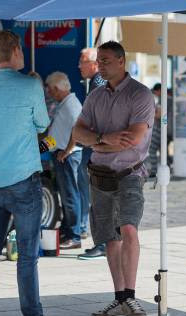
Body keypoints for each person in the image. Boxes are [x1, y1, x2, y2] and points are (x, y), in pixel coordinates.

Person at [0, 30, 62, 316]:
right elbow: (42, 123)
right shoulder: (30, 85)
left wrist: (0, 141)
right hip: (24, 178)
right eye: (21, 49)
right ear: (14, 51)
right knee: (26, 255)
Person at [73, 41, 155, 316]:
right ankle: (120, 298)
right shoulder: (95, 96)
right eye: (98, 60)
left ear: (121, 61)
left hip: (130, 173)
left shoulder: (140, 95)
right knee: (109, 238)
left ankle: (131, 296)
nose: (100, 65)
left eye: (105, 60)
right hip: (99, 175)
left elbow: (132, 139)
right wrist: (103, 140)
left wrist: (97, 143)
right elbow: (77, 133)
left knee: (129, 229)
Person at [45, 71, 83, 249]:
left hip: (67, 156)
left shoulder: (71, 105)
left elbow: (78, 129)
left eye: (50, 89)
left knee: (69, 195)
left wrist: (66, 151)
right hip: (61, 153)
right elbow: (57, 132)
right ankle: (69, 232)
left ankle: (74, 235)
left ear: (57, 88)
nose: (49, 93)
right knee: (66, 195)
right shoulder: (64, 103)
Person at [76, 47, 107, 260]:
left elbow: (95, 118)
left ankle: (102, 243)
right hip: (97, 146)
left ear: (95, 64)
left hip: (96, 147)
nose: (79, 65)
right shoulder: (97, 83)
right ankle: (103, 242)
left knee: (96, 196)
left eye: (83, 61)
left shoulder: (98, 85)